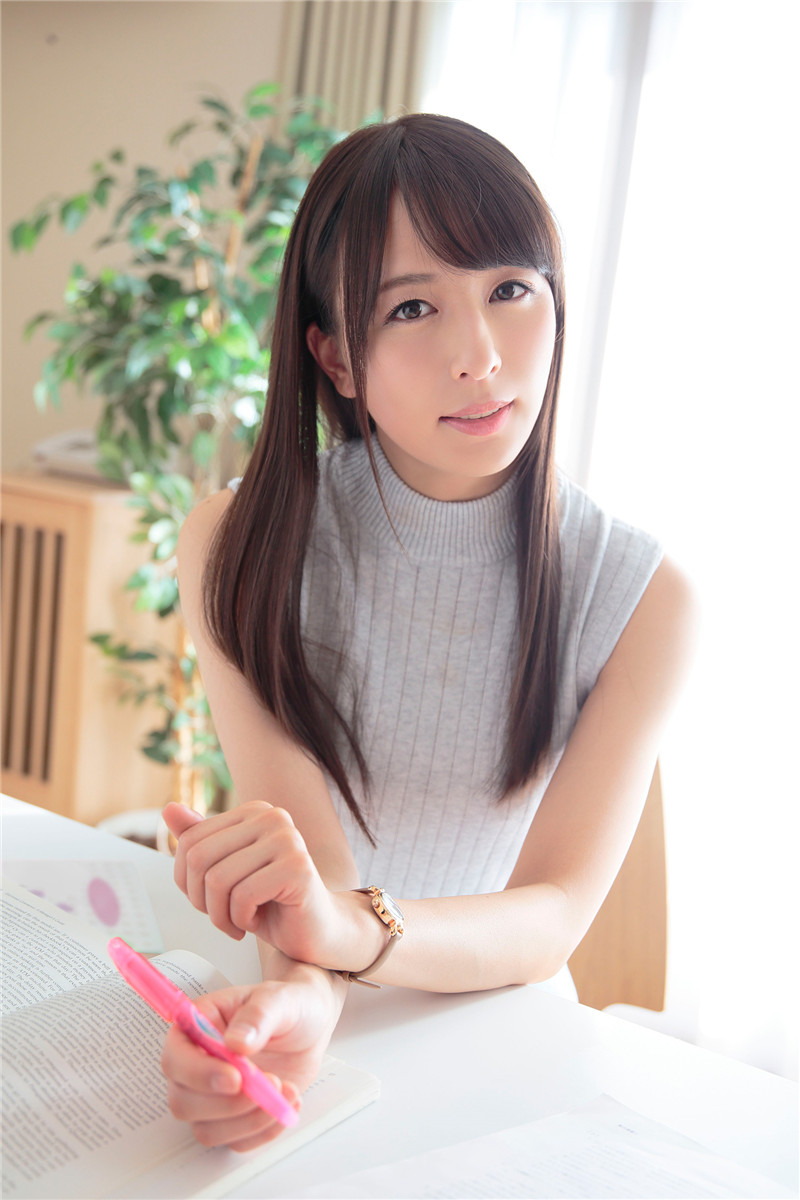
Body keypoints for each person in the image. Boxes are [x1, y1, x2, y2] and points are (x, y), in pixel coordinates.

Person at [160, 113, 697, 1152]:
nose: (480, 357)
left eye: (511, 290)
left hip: (508, 1055)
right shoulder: (238, 543)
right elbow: (308, 853)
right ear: (334, 358)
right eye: (411, 307)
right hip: (317, 999)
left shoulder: (643, 595)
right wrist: (304, 996)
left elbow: (550, 917)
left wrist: (343, 935)